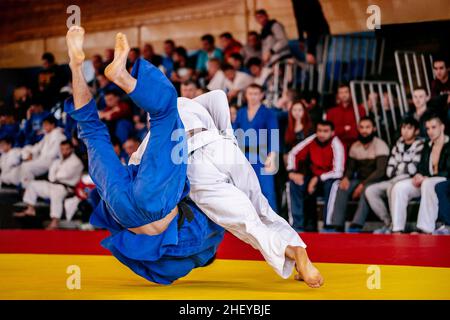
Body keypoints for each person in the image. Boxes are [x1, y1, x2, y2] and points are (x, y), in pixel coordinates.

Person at [68, 26, 323, 287]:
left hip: (165, 182)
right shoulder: (196, 111)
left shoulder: (160, 131)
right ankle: (299, 253)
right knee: (259, 210)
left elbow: (139, 162)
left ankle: (77, 69)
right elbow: (146, 161)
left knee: (94, 130)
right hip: (218, 151)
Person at [66, 26, 224, 285]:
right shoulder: (179, 265)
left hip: (153, 201)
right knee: (91, 132)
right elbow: (151, 271)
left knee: (165, 114)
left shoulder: (208, 241)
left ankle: (123, 75)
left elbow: (219, 206)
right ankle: (75, 66)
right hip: (122, 208)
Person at [329, 117, 390, 232]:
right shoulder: (355, 146)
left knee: (367, 190)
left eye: (367, 127)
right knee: (342, 187)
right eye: (361, 127)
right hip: (360, 180)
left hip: (377, 180)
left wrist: (363, 184)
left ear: (374, 129)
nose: (364, 131)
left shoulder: (381, 145)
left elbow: (380, 172)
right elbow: (351, 168)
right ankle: (337, 225)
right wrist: (346, 178)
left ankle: (356, 224)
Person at [390, 115, 449, 233]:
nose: (430, 131)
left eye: (433, 127)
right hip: (427, 180)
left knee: (427, 183)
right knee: (399, 187)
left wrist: (427, 177)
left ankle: (425, 228)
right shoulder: (427, 144)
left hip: (444, 179)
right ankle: (397, 229)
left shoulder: (449, 144)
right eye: (427, 128)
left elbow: (448, 170)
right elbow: (422, 166)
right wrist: (418, 175)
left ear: (442, 127)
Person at [365, 117, 424, 234]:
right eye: (403, 127)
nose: (405, 131)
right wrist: (402, 167)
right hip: (394, 178)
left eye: (409, 128)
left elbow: (413, 169)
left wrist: (399, 167)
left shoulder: (420, 145)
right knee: (370, 190)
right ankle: (388, 222)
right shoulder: (398, 144)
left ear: (416, 131)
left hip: (408, 180)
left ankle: (394, 226)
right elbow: (389, 170)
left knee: (392, 188)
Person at [287, 120, 345, 231]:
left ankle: (329, 226)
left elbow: (338, 171)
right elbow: (293, 153)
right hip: (313, 177)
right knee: (293, 183)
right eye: (319, 131)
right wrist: (291, 172)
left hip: (329, 179)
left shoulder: (336, 144)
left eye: (325, 131)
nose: (321, 134)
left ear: (332, 132)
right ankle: (296, 226)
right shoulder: (312, 139)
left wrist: (318, 178)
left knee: (333, 185)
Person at [14, 140, 84, 230]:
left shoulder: (76, 162)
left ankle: (55, 221)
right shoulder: (58, 160)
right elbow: (51, 176)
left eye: (67, 149)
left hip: (66, 188)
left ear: (71, 149)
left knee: (56, 193)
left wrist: (56, 174)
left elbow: (63, 175)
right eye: (62, 149)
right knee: (32, 184)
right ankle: (30, 209)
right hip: (52, 184)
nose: (64, 151)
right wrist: (55, 175)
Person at [234, 84, 279, 211]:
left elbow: (273, 133)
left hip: (263, 156)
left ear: (261, 95)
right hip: (244, 155)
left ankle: (272, 223)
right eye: (250, 93)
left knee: (266, 190)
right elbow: (234, 133)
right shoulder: (241, 112)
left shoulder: (268, 113)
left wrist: (273, 155)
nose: (253, 97)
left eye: (255, 94)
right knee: (243, 189)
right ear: (246, 95)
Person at [20, 115, 66, 187]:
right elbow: (38, 146)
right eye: (43, 125)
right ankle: (27, 187)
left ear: (52, 125)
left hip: (51, 162)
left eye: (46, 125)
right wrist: (31, 153)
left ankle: (27, 188)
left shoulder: (58, 136)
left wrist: (36, 157)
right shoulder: (47, 135)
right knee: (25, 154)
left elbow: (53, 154)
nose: (44, 127)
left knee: (26, 166)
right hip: (42, 159)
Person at [326, 84, 366, 150]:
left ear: (351, 93)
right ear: (338, 95)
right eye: (341, 92)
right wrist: (345, 128)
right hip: (336, 145)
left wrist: (341, 129)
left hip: (355, 144)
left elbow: (360, 128)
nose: (343, 95)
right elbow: (330, 131)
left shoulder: (360, 109)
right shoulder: (331, 111)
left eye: (346, 92)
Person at [291, 0, 330, 65]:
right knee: (314, 56)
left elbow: (299, 19)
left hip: (318, 29)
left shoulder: (300, 4)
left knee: (316, 55)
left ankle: (317, 69)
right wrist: (301, 38)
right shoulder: (296, 3)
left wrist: (301, 39)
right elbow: (298, 19)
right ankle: (316, 69)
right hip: (314, 29)